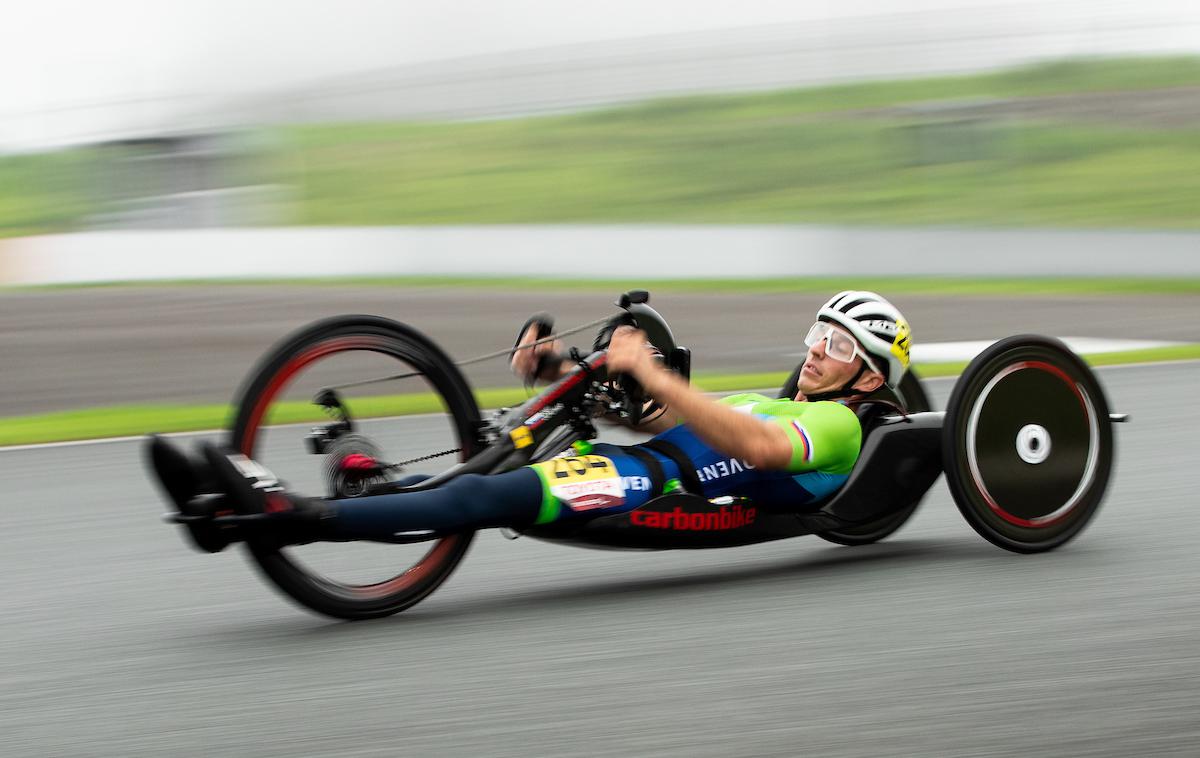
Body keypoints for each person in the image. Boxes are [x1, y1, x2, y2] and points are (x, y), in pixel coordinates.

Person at [149, 291, 912, 552]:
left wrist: (648, 369)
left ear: (871, 373)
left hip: (651, 490)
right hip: (640, 464)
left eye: (838, 345)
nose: (815, 351)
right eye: (817, 333)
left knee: (481, 498)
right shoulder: (771, 393)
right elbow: (661, 418)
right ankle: (227, 508)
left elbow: (751, 449)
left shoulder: (844, 430)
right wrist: (557, 371)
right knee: (486, 462)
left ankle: (292, 514)